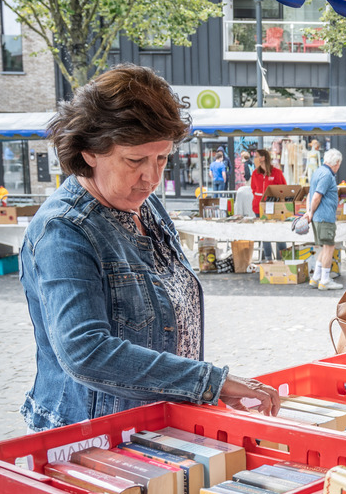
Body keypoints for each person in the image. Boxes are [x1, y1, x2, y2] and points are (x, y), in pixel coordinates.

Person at [18, 64, 279, 431]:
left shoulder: (144, 204)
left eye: (162, 158)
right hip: (93, 433)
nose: (153, 178)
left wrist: (198, 387)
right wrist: (208, 382)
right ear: (89, 151)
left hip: (156, 421)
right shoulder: (64, 230)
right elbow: (86, 351)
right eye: (135, 160)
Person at [307, 148, 344, 291]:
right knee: (329, 248)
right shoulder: (327, 175)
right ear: (337, 163)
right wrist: (310, 212)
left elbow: (311, 195)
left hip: (318, 217)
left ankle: (316, 278)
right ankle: (325, 280)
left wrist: (310, 212)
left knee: (324, 247)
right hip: (325, 217)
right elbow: (316, 196)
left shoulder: (318, 172)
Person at [250, 148, 286, 218]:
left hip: (273, 207)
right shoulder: (255, 173)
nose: (254, 159)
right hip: (258, 207)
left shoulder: (277, 173)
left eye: (256, 156)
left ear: (263, 158)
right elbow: (253, 189)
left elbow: (283, 189)